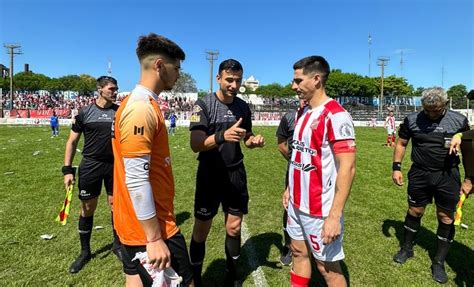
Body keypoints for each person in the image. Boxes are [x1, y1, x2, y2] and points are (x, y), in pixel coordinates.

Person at [112, 33, 194, 286]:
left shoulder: (141, 103)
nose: (178, 74)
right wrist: (154, 237)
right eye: (176, 67)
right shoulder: (140, 108)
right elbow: (136, 178)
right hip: (152, 227)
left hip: (132, 223)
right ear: (159, 65)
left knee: (134, 279)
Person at [188, 59, 265, 286]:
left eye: (238, 80)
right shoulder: (201, 106)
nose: (234, 84)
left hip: (235, 172)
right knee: (201, 230)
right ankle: (196, 278)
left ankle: (232, 275)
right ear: (218, 78)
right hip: (209, 174)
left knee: (234, 227)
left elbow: (246, 137)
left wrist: (254, 141)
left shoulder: (242, 106)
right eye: (229, 79)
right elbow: (196, 143)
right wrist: (222, 136)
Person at [282, 56, 356, 287]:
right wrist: (289, 188)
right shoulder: (302, 112)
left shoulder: (336, 115)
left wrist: (334, 216)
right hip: (296, 203)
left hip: (320, 209)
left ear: (316, 79)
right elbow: (300, 155)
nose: (293, 86)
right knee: (297, 252)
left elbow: (348, 167)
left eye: (298, 80)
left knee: (327, 269)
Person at [391, 87, 469, 284]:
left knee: (445, 217)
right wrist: (396, 167)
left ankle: (439, 262)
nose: (431, 113)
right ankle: (407, 248)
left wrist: (470, 178)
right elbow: (401, 143)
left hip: (448, 175)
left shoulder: (459, 120)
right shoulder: (412, 119)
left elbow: (469, 150)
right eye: (427, 110)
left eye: (436, 110)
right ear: (422, 105)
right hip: (420, 173)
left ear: (445, 104)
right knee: (415, 210)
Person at [62, 75, 121, 273]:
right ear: (100, 89)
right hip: (91, 165)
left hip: (114, 166)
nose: (115, 92)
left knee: (115, 206)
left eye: (116, 88)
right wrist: (67, 170)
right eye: (111, 89)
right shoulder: (85, 112)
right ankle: (85, 251)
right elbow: (72, 142)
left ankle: (117, 245)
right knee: (88, 207)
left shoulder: (119, 112)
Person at [276, 99, 307, 266]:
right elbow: (281, 144)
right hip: (294, 173)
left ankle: (314, 246)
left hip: (317, 175)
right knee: (289, 207)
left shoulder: (320, 117)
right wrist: (294, 161)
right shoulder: (289, 118)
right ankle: (288, 246)